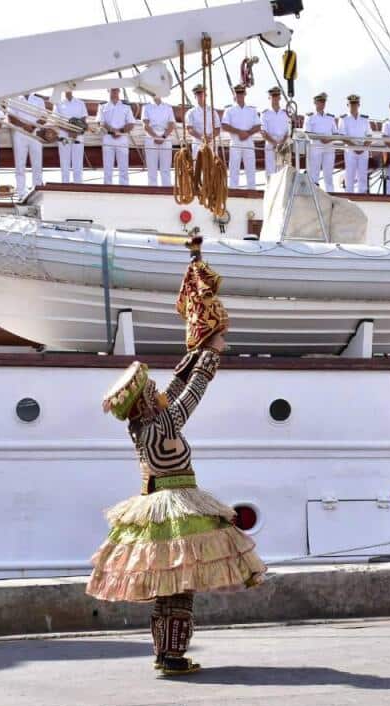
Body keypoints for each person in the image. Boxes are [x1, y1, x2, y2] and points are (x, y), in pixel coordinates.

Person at [86, 240, 265, 677]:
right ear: (147, 401)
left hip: (156, 507)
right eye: (152, 391)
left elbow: (178, 386)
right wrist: (208, 356)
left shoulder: (142, 426)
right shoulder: (163, 424)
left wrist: (196, 350)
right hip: (177, 508)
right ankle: (174, 656)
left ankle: (165, 655)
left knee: (167, 590)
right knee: (180, 590)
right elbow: (192, 393)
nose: (158, 392)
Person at [7, 91, 48, 197]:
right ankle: (21, 193)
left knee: (37, 163)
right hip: (20, 133)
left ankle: (38, 191)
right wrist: (24, 125)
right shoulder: (14, 99)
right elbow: (10, 117)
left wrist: (33, 126)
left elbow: (44, 117)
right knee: (20, 164)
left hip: (35, 133)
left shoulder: (39, 100)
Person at [223, 84, 260, 189]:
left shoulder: (252, 110)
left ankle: (252, 189)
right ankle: (233, 189)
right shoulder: (229, 110)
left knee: (251, 167)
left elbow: (258, 126)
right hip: (235, 141)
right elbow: (224, 126)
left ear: (245, 94)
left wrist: (247, 133)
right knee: (234, 167)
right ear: (234, 95)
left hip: (248, 141)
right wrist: (239, 132)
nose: (240, 95)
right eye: (237, 93)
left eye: (241, 93)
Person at [97, 88, 134, 186]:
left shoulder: (126, 107)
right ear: (108, 91)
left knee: (124, 167)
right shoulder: (102, 106)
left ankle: (124, 188)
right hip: (108, 138)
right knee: (107, 167)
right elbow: (101, 123)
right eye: (112, 90)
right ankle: (107, 188)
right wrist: (112, 131)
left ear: (119, 91)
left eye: (116, 90)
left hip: (122, 138)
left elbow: (131, 124)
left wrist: (120, 131)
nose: (114, 92)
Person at [140, 92, 175, 187]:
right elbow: (145, 125)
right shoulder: (146, 107)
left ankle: (166, 188)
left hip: (165, 137)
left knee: (166, 168)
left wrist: (163, 137)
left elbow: (171, 125)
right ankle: (152, 189)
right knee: (152, 168)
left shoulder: (168, 107)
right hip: (151, 138)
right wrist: (155, 136)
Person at [304, 92, 336, 191]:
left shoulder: (330, 117)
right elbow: (307, 133)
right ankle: (313, 193)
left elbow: (336, 133)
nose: (322, 104)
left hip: (329, 147)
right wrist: (320, 138)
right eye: (320, 102)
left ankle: (330, 193)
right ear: (315, 103)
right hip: (315, 146)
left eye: (323, 102)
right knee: (314, 173)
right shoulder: (310, 117)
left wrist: (329, 139)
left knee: (329, 173)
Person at [55, 89, 88, 183]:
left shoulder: (80, 103)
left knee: (78, 162)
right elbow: (57, 120)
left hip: (78, 136)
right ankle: (65, 184)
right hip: (64, 136)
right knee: (64, 162)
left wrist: (75, 132)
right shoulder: (58, 103)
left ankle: (78, 185)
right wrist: (69, 130)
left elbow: (83, 119)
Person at [339, 94, 370, 194]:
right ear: (348, 105)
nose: (353, 106)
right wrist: (355, 147)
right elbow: (343, 137)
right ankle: (349, 194)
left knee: (363, 174)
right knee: (350, 174)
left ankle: (363, 194)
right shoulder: (343, 119)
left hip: (363, 150)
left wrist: (363, 147)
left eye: (355, 104)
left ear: (359, 105)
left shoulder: (365, 119)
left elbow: (369, 136)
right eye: (351, 104)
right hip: (350, 150)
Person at [260, 87, 291, 178]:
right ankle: (270, 191)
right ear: (269, 97)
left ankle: (283, 192)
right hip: (270, 143)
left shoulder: (285, 113)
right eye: (273, 96)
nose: (275, 98)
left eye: (277, 95)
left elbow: (288, 131)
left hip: (283, 143)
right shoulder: (265, 113)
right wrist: (274, 143)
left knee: (283, 172)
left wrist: (281, 143)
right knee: (270, 171)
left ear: (280, 97)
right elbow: (263, 132)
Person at [185, 84, 221, 158]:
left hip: (211, 143)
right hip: (197, 144)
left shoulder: (212, 111)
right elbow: (189, 129)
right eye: (198, 94)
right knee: (197, 167)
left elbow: (217, 128)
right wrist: (201, 137)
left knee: (212, 167)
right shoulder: (191, 112)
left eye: (202, 93)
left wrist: (210, 137)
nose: (200, 95)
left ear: (206, 95)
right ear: (195, 96)